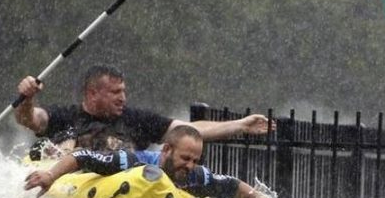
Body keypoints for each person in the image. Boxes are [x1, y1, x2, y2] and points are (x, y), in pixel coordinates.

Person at [24, 125, 279, 198]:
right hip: (91, 184)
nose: (190, 165)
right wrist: (50, 176)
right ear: (167, 149)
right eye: (185, 158)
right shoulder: (132, 160)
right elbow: (81, 156)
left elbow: (231, 185)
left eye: (195, 160)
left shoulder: (194, 175)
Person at [15, 64, 272, 152]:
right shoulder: (64, 116)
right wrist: (27, 97)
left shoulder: (137, 120)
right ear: (92, 93)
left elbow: (189, 130)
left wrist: (240, 125)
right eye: (115, 92)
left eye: (124, 91)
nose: (123, 98)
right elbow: (30, 119)